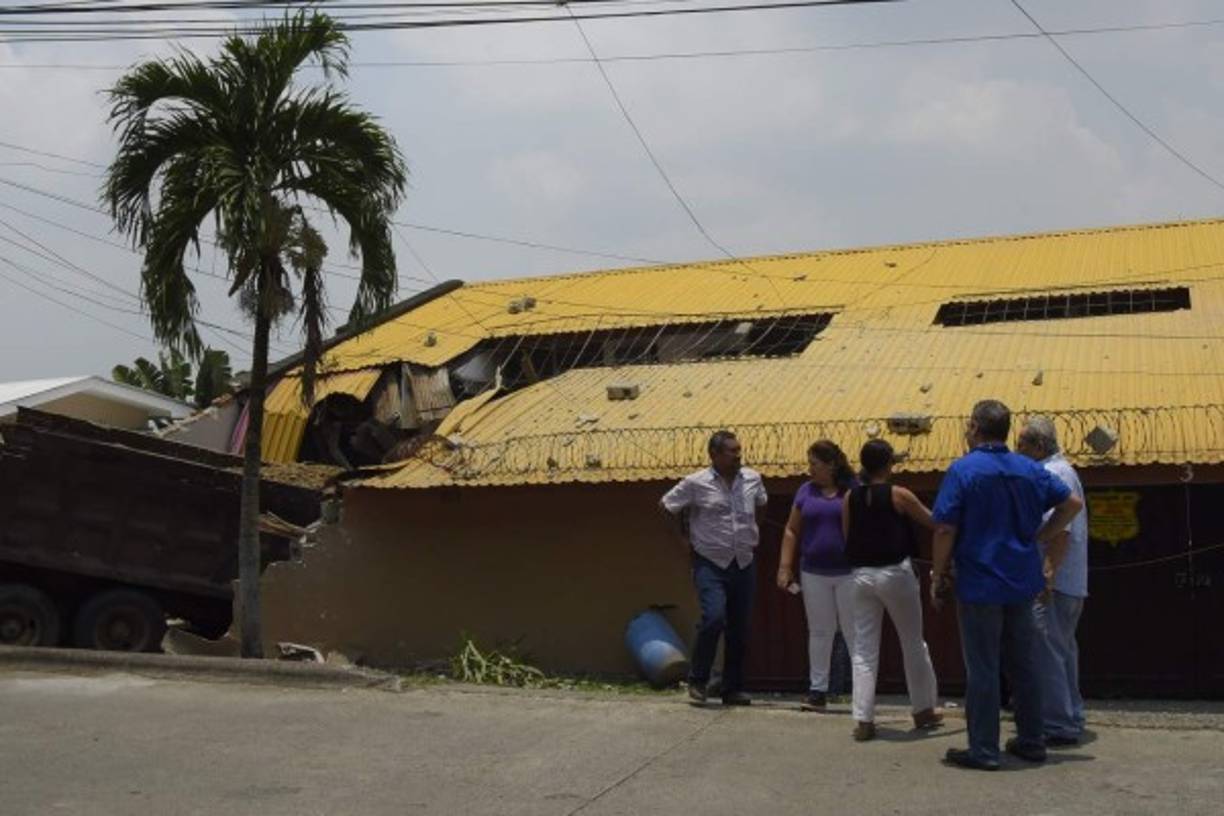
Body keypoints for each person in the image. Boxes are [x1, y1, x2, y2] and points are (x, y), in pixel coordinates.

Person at [930, 400, 1083, 771]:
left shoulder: (964, 470)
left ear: (976, 428)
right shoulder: (1028, 469)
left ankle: (983, 748)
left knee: (982, 667)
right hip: (1022, 580)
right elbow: (1072, 504)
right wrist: (1039, 538)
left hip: (981, 582)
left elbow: (945, 527)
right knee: (1024, 664)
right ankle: (1031, 741)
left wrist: (938, 573)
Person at [842, 439, 943, 741]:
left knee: (863, 648)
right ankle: (923, 708)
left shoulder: (850, 497)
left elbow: (848, 536)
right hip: (895, 573)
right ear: (888, 464)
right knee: (912, 642)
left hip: (861, 575)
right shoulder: (899, 494)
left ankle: (863, 718)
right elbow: (933, 521)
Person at [661, 430, 768, 706]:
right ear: (714, 455)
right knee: (714, 618)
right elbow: (666, 506)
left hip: (743, 561)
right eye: (731, 451)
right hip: (710, 562)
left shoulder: (752, 479)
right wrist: (684, 540)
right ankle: (698, 680)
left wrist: (752, 533)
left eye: (739, 450)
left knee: (740, 627)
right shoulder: (696, 483)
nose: (738, 455)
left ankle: (731, 687)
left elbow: (762, 506)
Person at [1017, 416, 1089, 747]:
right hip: (1070, 579)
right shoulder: (1066, 471)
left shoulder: (1051, 474)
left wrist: (1047, 571)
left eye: (1022, 445)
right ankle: (1070, 714)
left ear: (1038, 446)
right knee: (1062, 649)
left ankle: (1058, 723)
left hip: (1056, 580)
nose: (1017, 451)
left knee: (1047, 650)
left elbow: (1059, 531)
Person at [777, 440, 856, 711]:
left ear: (831, 465)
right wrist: (785, 566)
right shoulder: (805, 491)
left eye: (814, 464)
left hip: (849, 573)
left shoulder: (851, 490)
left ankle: (862, 691)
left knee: (853, 632)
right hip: (813, 572)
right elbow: (791, 530)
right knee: (820, 632)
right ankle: (817, 690)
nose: (809, 469)